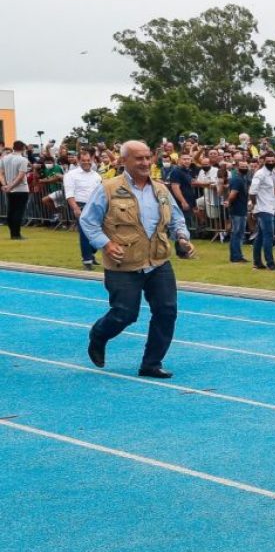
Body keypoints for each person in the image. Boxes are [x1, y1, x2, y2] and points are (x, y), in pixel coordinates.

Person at [78, 141, 193, 379]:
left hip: (158, 261)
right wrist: (105, 244)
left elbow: (176, 219)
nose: (145, 163)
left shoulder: (161, 189)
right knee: (124, 314)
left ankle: (151, 363)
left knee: (166, 311)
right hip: (123, 263)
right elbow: (88, 221)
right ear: (124, 161)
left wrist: (182, 237)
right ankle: (99, 334)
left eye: (147, 157)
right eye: (138, 158)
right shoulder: (108, 188)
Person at [65, 152, 103, 269]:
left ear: (92, 160)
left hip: (96, 206)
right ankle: (87, 260)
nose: (86, 162)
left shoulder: (96, 175)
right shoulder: (71, 175)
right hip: (81, 205)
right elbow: (69, 193)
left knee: (99, 232)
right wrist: (75, 207)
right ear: (78, 160)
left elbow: (100, 192)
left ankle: (91, 253)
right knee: (85, 233)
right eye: (83, 160)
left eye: (88, 160)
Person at [249, 154, 275, 270]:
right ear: (263, 161)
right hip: (263, 209)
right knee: (268, 236)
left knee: (261, 236)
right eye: (269, 160)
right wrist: (255, 204)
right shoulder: (260, 174)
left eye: (273, 160)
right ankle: (270, 263)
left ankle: (257, 262)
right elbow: (252, 192)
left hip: (269, 207)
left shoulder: (274, 173)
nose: (271, 162)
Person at [1, 140, 30, 240]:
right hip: (21, 189)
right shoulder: (23, 160)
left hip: (9, 189)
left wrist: (5, 185)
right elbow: (21, 176)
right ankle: (16, 234)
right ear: (23, 148)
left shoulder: (5, 158)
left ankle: (13, 233)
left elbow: (1, 173)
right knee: (18, 212)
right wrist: (11, 186)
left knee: (11, 211)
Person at [224, 157, 251, 263]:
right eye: (242, 166)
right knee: (237, 233)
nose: (244, 168)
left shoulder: (243, 178)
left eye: (246, 166)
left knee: (239, 233)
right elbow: (233, 193)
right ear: (237, 167)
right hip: (237, 209)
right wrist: (229, 201)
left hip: (241, 208)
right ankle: (236, 256)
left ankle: (237, 255)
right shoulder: (237, 179)